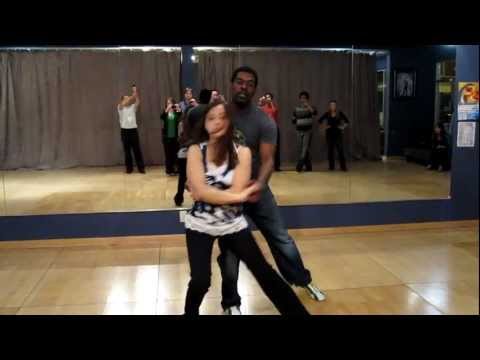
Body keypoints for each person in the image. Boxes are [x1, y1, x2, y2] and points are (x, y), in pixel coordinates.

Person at [216, 66, 326, 315]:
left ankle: (303, 279)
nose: (244, 86)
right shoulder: (218, 116)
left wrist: (259, 185)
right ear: (232, 84)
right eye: (240, 82)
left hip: (258, 191)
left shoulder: (263, 121)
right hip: (228, 195)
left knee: (281, 239)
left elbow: (267, 161)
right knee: (230, 249)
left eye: (250, 83)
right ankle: (231, 302)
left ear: (255, 89)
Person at [183, 100, 310, 316]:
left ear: (230, 121)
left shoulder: (243, 152)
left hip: (233, 225)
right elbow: (207, 193)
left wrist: (209, 192)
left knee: (265, 273)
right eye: (211, 118)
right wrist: (226, 194)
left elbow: (226, 192)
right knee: (200, 281)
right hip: (200, 226)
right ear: (204, 124)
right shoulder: (195, 151)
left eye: (222, 117)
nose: (217, 122)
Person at [174, 89, 212, 206]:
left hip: (188, 148)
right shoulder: (211, 111)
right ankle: (202, 198)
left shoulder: (189, 116)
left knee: (183, 176)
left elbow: (184, 134)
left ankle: (179, 198)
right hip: (202, 148)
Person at [117, 84, 145, 174]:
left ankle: (141, 168)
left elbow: (137, 102)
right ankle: (129, 169)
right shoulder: (120, 107)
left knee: (137, 150)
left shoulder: (133, 107)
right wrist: (132, 95)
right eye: (125, 98)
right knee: (127, 151)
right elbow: (124, 103)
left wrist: (135, 92)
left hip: (133, 131)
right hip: (125, 131)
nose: (128, 99)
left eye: (128, 98)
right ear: (122, 100)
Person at [318, 100, 349, 171]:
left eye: (334, 105)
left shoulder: (339, 113)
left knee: (340, 150)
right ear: (329, 106)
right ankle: (331, 167)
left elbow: (347, 121)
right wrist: (325, 127)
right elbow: (319, 121)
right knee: (330, 151)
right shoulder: (327, 113)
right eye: (331, 105)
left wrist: (342, 127)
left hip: (338, 134)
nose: (332, 106)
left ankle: (343, 167)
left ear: (336, 106)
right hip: (329, 134)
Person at [292, 91, 317, 172]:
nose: (303, 100)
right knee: (301, 149)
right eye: (302, 98)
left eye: (305, 98)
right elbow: (293, 119)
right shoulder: (296, 108)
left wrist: (308, 106)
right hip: (299, 130)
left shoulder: (311, 107)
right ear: (300, 99)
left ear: (307, 99)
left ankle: (299, 166)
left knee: (304, 148)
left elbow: (315, 113)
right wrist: (297, 121)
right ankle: (309, 166)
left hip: (308, 130)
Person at [161, 97, 182, 176]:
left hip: (175, 137)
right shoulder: (165, 112)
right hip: (167, 137)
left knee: (175, 154)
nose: (169, 104)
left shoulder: (176, 112)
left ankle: (176, 170)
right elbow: (162, 117)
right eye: (168, 103)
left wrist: (178, 108)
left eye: (170, 103)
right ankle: (169, 170)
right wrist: (167, 109)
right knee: (168, 154)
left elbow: (181, 115)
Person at [260, 92, 281, 171]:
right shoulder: (263, 107)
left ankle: (276, 166)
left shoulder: (273, 106)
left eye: (269, 97)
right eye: (267, 97)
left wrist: (271, 103)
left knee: (275, 148)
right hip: (265, 129)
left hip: (274, 128)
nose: (268, 99)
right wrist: (261, 103)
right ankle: (265, 165)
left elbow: (274, 111)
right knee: (265, 148)